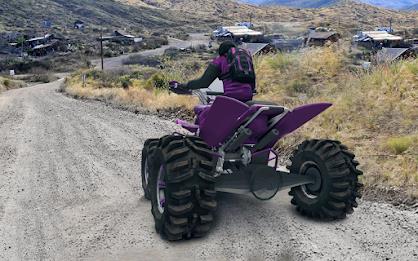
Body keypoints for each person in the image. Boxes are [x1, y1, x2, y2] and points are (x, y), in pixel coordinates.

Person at [170, 41, 255, 103]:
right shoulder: (245, 62)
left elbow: (203, 83)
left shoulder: (219, 61)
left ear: (221, 52)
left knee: (202, 113)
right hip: (248, 98)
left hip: (230, 98)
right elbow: (253, 86)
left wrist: (184, 85)